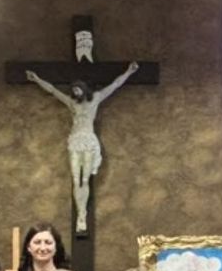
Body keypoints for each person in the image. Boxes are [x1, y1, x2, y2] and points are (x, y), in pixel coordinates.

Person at [23, 62, 140, 234]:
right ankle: (80, 213)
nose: (76, 93)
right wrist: (37, 79)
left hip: (89, 141)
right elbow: (53, 91)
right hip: (75, 141)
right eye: (74, 91)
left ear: (84, 89)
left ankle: (82, 216)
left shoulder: (96, 98)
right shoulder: (72, 103)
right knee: (76, 178)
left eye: (78, 90)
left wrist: (129, 72)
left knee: (85, 179)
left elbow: (115, 85)